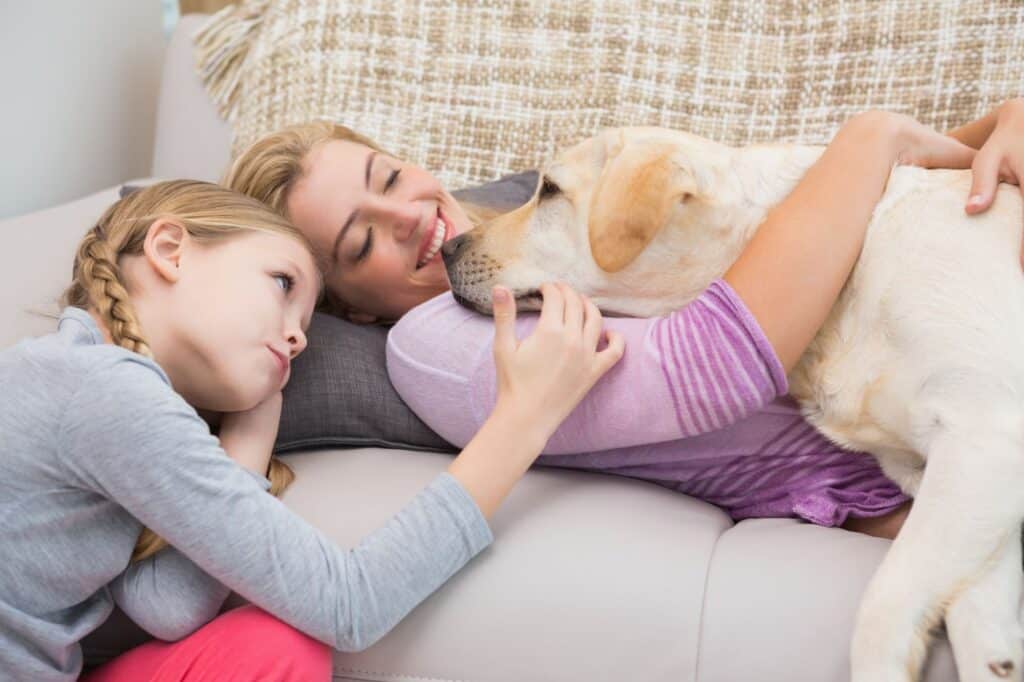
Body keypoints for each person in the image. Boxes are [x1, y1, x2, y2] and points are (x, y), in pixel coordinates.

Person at [225, 100, 1024, 541]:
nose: (407, 214)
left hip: (935, 357)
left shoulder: (520, 221)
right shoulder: (437, 345)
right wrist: (873, 134)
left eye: (390, 175)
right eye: (361, 239)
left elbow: (778, 214)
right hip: (902, 471)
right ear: (346, 306)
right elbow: (717, 361)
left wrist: (997, 129)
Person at [0, 180, 622, 681]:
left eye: (303, 321)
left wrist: (249, 430)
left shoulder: (93, 386)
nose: (297, 336)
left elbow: (166, 607)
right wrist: (523, 419)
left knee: (273, 647)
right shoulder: (105, 390)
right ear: (170, 249)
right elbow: (348, 604)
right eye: (281, 284)